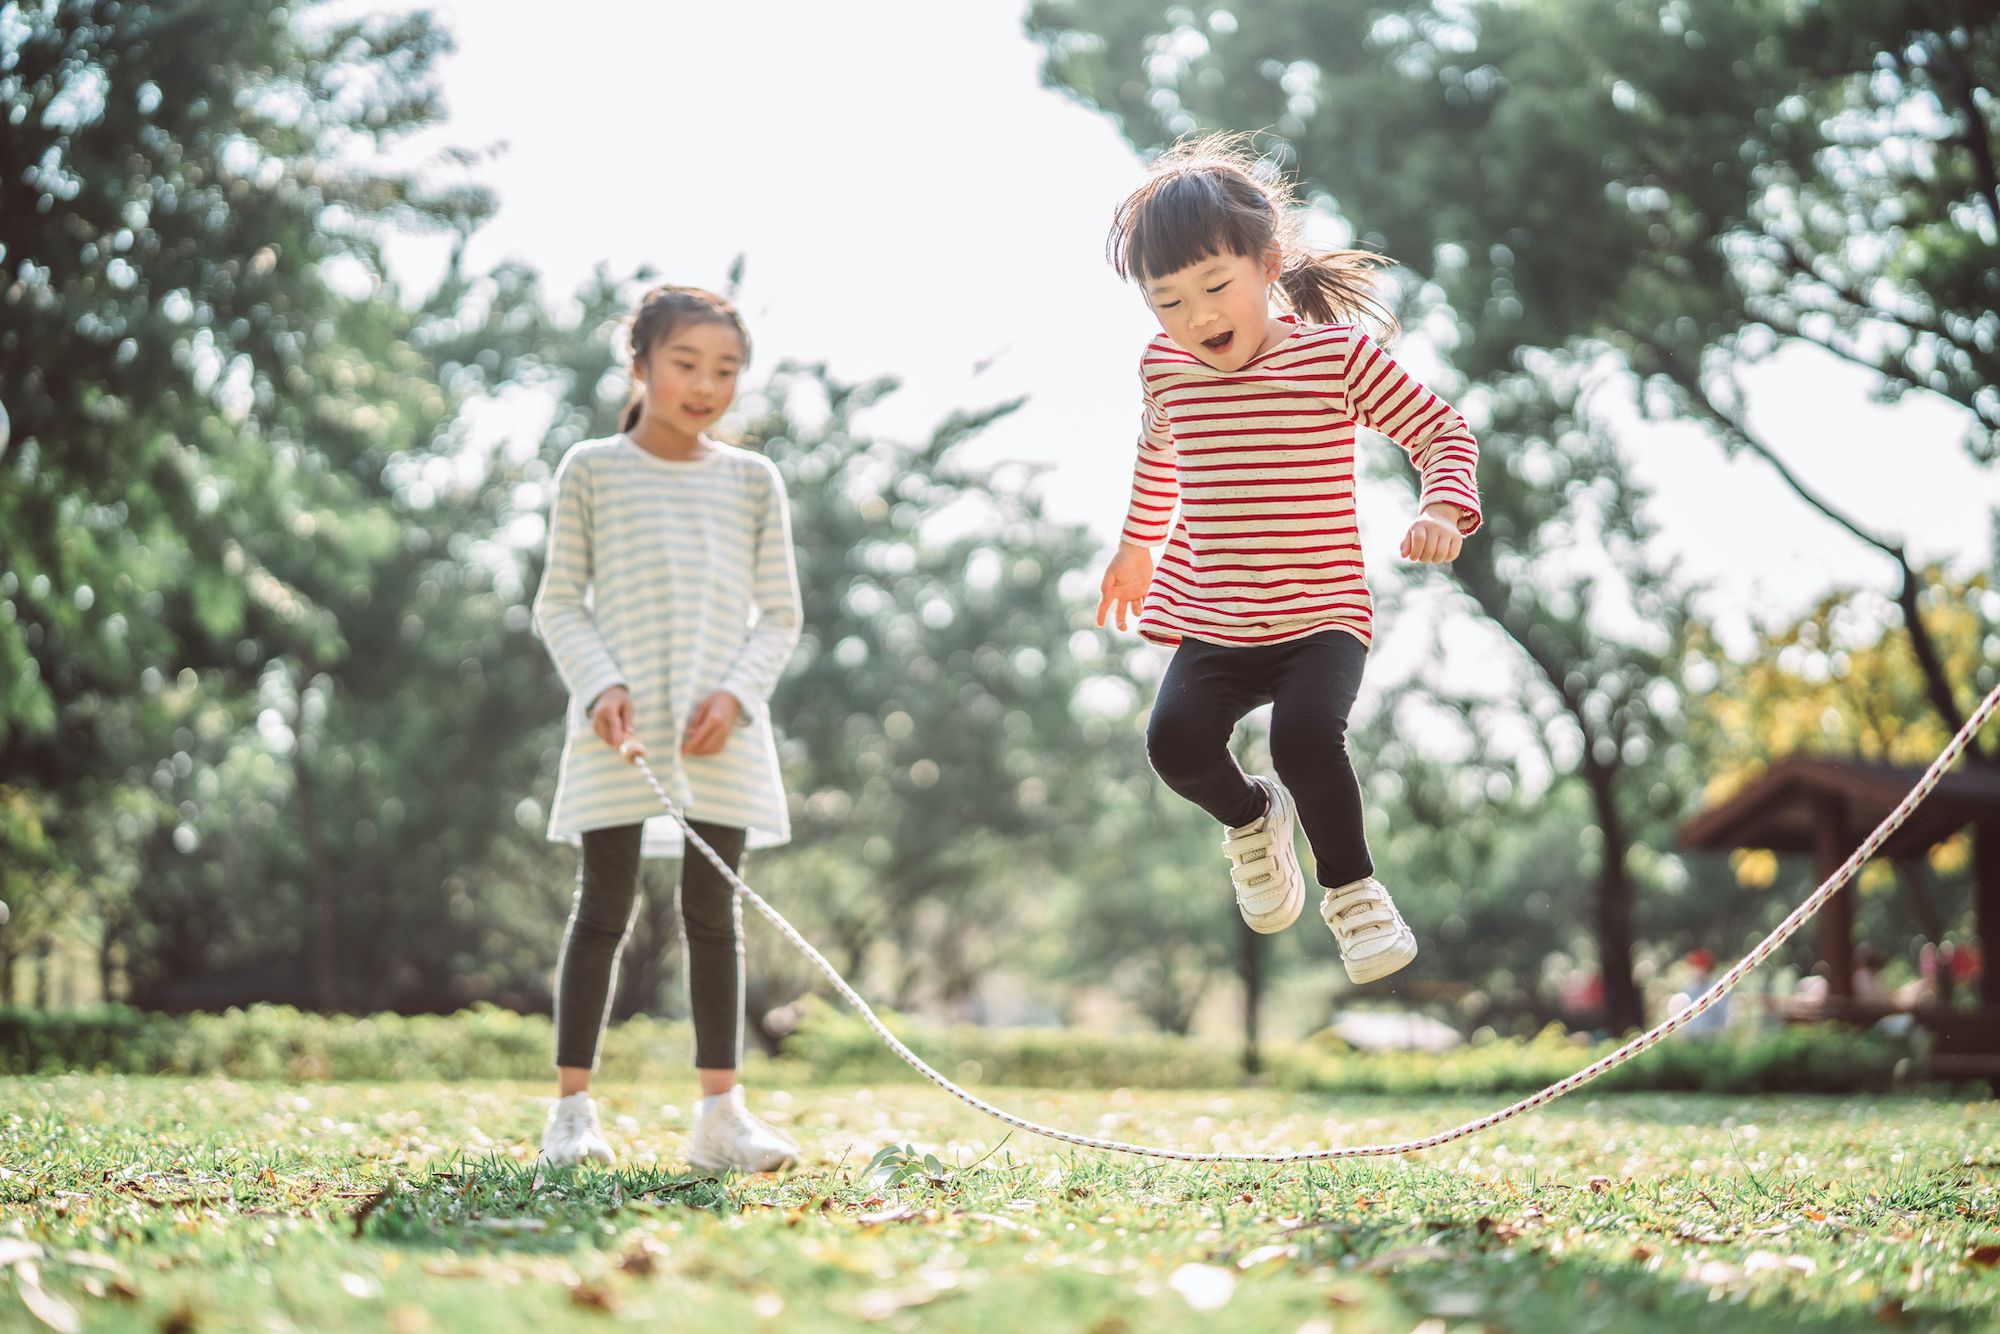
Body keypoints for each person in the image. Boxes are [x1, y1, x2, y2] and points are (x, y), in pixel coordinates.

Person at [1094, 137, 1481, 985]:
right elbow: (1160, 458)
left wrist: (1443, 505)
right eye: (1168, 301)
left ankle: (1353, 894)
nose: (1196, 317)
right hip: (1215, 615)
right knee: (1175, 743)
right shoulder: (1166, 370)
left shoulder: (1333, 361)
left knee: (1305, 738)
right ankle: (1250, 816)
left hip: (1319, 614)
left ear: (1267, 264)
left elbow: (1442, 431)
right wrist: (1135, 547)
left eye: (1214, 287)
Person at [530, 284, 803, 1172]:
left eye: (725, 370)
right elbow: (559, 603)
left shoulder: (754, 481)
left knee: (712, 912)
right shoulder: (591, 470)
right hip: (620, 726)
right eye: (686, 364)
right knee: (601, 904)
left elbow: (781, 617)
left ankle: (721, 1117)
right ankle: (571, 1114)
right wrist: (598, 684)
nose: (705, 385)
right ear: (640, 365)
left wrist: (734, 696)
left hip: (721, 729)